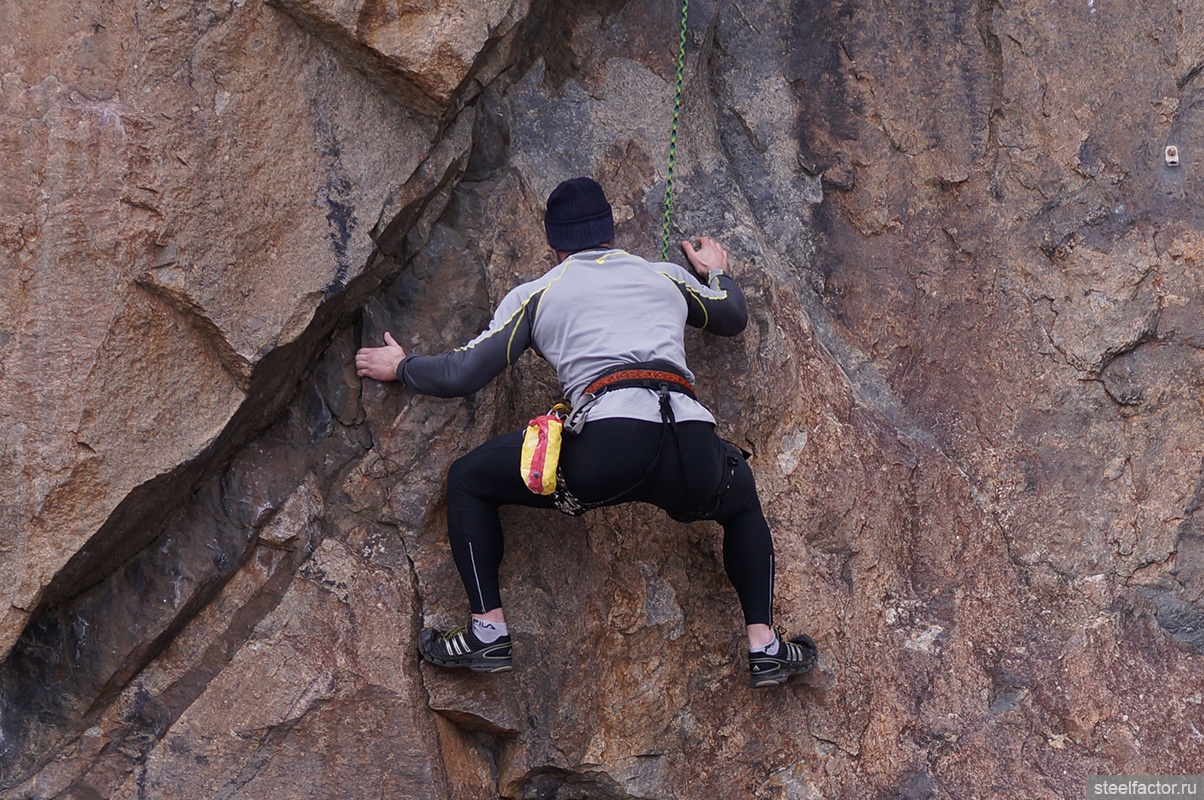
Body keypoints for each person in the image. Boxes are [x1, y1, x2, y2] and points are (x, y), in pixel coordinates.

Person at [355, 177, 817, 687]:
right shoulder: (663, 275)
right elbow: (731, 315)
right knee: (741, 497)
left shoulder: (539, 292)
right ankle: (765, 646)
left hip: (610, 445)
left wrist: (403, 366)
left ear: (554, 244)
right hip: (691, 442)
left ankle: (488, 632)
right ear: (610, 232)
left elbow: (464, 373)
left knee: (468, 478)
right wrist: (716, 271)